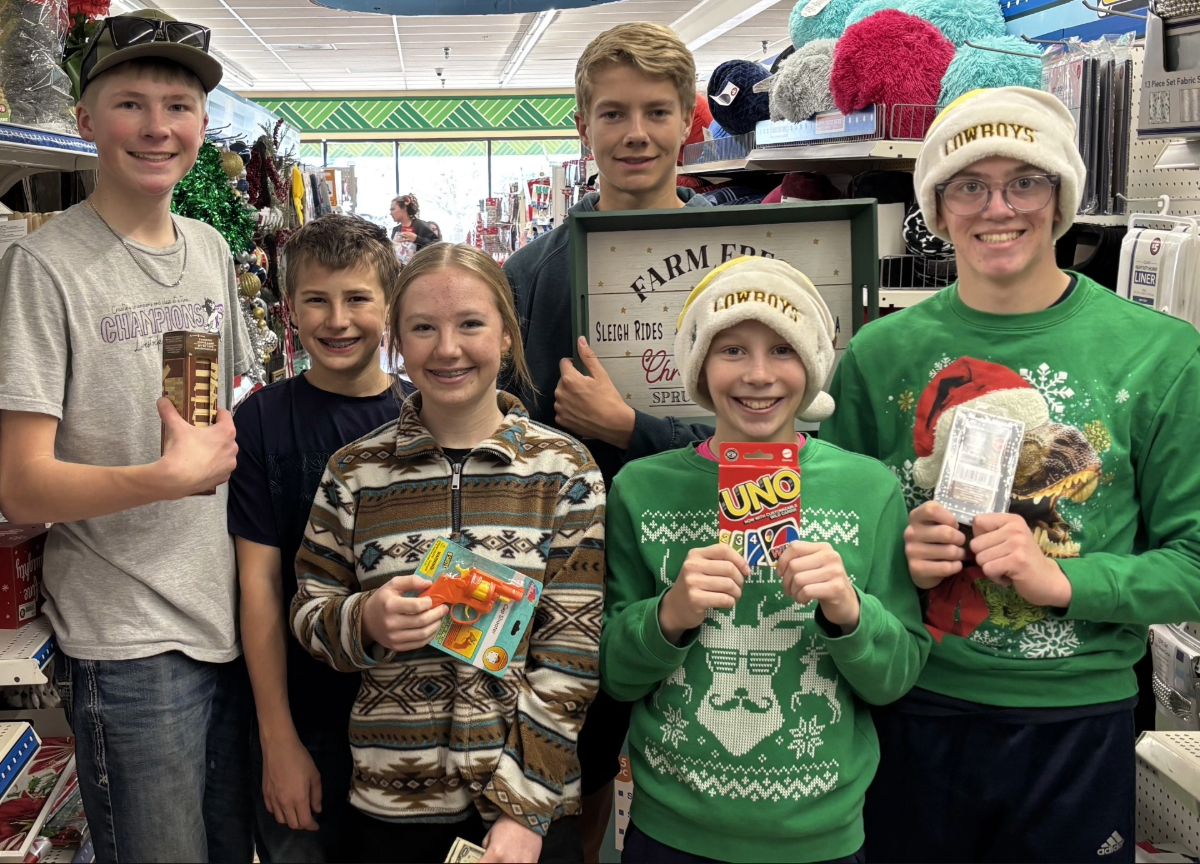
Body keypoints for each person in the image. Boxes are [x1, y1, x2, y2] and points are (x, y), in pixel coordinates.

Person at [821, 87, 1200, 863]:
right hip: (911, 710)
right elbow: (836, 546)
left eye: (1026, 180)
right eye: (969, 184)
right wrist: (894, 555)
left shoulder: (1160, 354)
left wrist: (1069, 582)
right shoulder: (878, 357)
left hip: (1075, 723)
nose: (999, 208)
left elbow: (1193, 564)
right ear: (936, 205)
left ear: (1062, 196)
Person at [0, 10, 255, 862]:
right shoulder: (43, 266)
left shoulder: (212, 246)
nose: (158, 127)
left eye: (178, 105)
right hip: (127, 641)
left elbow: (223, 404)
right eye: (130, 104)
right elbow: (23, 485)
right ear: (83, 120)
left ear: (202, 124)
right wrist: (163, 476)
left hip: (228, 619)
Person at [601, 256, 929, 863]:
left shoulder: (870, 488)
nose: (758, 375)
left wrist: (849, 611)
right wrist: (670, 613)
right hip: (673, 830)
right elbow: (615, 673)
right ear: (700, 365)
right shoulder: (640, 488)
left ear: (813, 364)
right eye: (731, 350)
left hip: (821, 835)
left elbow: (895, 677)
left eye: (783, 350)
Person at [290, 243, 606, 864]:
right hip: (390, 812)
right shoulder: (354, 473)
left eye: (470, 324)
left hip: (527, 820)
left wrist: (524, 809)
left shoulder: (564, 472)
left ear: (507, 336)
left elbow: (571, 658)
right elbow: (308, 613)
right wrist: (366, 622)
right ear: (397, 343)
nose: (448, 348)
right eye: (423, 328)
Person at [501, 24, 714, 854]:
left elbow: (786, 430)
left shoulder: (747, 261)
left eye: (657, 112)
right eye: (613, 113)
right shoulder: (528, 274)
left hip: (709, 560)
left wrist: (634, 427)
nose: (636, 134)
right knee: (577, 774)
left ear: (690, 119)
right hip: (572, 580)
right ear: (582, 122)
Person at [230, 214, 412, 862]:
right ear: (289, 311)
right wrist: (277, 738)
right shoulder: (260, 422)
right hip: (302, 719)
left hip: (416, 726)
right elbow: (258, 583)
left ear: (390, 305)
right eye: (317, 300)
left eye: (358, 298)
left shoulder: (424, 415)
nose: (338, 319)